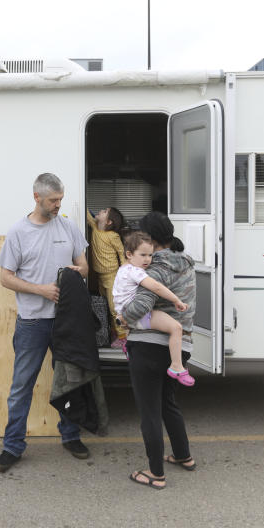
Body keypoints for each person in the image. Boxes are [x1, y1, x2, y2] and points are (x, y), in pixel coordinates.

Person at [0, 173, 91, 473]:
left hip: (66, 322)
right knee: (22, 386)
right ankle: (12, 447)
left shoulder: (68, 227)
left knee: (69, 383)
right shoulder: (19, 232)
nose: (58, 204)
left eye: (60, 199)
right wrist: (41, 290)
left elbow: (85, 265)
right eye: (53, 200)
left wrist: (79, 271)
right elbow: (5, 277)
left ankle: (71, 436)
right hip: (33, 322)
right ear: (37, 197)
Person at [120, 212, 197, 489]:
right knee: (167, 404)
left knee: (149, 411)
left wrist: (122, 318)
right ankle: (183, 455)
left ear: (150, 240)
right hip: (181, 345)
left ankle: (155, 474)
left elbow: (141, 305)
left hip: (149, 346)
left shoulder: (153, 269)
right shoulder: (187, 263)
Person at [112, 230, 194, 386]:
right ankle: (177, 366)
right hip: (139, 317)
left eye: (150, 255)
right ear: (129, 254)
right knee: (176, 328)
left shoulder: (122, 269)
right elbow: (156, 287)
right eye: (142, 255)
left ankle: (128, 348)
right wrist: (177, 300)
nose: (147, 260)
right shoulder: (135, 272)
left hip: (124, 316)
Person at [85, 207, 126, 347]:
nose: (100, 210)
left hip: (112, 276)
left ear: (108, 221)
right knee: (105, 307)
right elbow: (87, 215)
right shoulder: (95, 228)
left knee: (114, 308)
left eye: (104, 211)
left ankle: (122, 337)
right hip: (101, 277)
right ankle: (113, 333)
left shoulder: (112, 236)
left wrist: (125, 271)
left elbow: (121, 252)